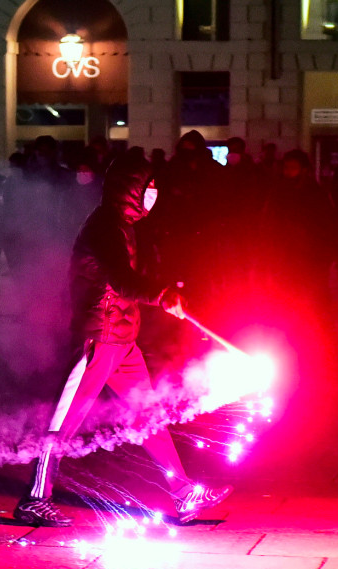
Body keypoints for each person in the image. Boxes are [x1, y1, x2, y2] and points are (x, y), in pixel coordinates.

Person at [13, 150, 233, 527]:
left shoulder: (121, 225)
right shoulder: (105, 226)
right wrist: (161, 295)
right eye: (149, 187)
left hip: (122, 338)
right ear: (131, 190)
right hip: (97, 338)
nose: (154, 193)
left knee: (149, 417)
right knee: (63, 421)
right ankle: (35, 498)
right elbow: (120, 279)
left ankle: (184, 492)